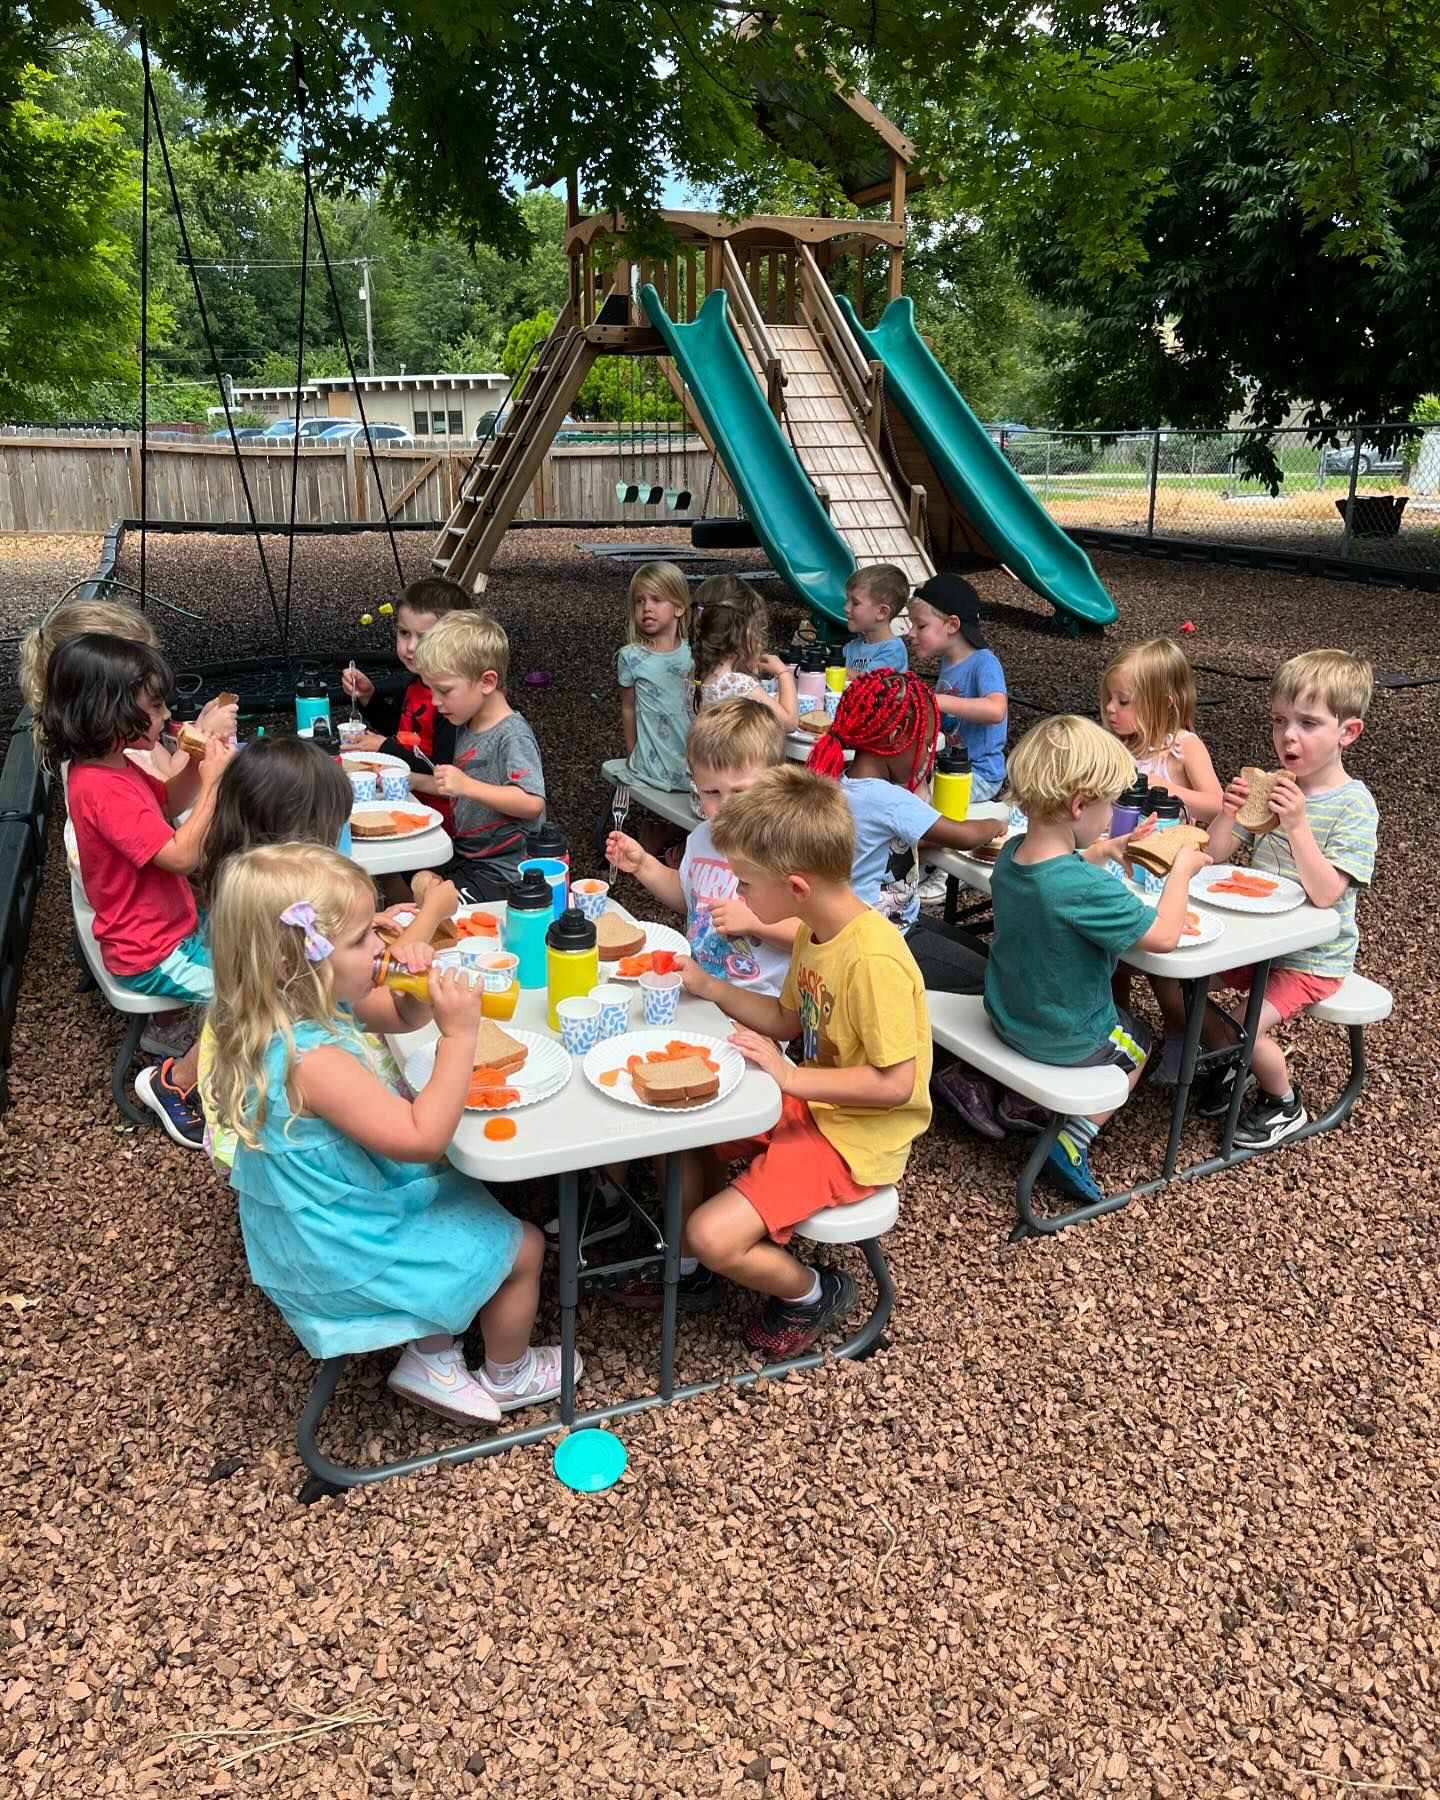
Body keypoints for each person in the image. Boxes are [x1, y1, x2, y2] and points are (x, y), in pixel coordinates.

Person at [204, 842, 573, 1423]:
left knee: (463, 1193)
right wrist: (459, 1037)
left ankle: (434, 1346)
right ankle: (508, 1372)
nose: (381, 945)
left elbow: (401, 1018)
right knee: (524, 1247)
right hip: (348, 1249)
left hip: (327, 1215)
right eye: (360, 941)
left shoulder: (301, 1005)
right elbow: (422, 1135)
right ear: (293, 962)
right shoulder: (311, 1060)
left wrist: (411, 984)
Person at [662, 767, 931, 1355]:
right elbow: (790, 1021)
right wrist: (712, 988)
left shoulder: (873, 961)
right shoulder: (815, 930)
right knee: (683, 1136)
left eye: (747, 886)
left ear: (796, 886)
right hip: (815, 1104)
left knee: (709, 1233)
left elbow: (896, 1084)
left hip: (854, 1139)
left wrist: (788, 1075)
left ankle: (812, 1292)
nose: (740, 899)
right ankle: (699, 1270)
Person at [584, 700, 800, 1253]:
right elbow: (687, 896)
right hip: (698, 994)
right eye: (710, 792)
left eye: (740, 793)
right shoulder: (704, 839)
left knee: (674, 1115)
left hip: (755, 1011)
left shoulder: (784, 849)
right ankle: (632, 1204)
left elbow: (816, 931)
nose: (723, 807)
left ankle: (682, 1254)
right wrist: (643, 866)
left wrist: (757, 922)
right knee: (620, 1055)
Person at [983, 715, 1209, 1203]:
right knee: (1138, 1040)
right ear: (1079, 804)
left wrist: (1108, 848)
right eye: (1108, 805)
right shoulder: (1085, 890)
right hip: (1061, 1036)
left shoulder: (1013, 854)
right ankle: (1073, 1138)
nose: (1112, 816)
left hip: (1007, 1015)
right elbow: (1165, 935)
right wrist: (1182, 872)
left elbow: (1058, 872)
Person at [192, 736, 440, 1171]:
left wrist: (365, 926)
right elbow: (420, 1137)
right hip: (325, 1167)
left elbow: (397, 1006)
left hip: (254, 1140)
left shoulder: (257, 928)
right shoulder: (313, 989)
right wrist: (433, 914)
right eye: (335, 830)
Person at [39, 632, 234, 1147]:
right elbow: (180, 854)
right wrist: (215, 784)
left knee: (260, 934)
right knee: (248, 993)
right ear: (107, 711)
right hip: (151, 952)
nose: (168, 715)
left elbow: (168, 804)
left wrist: (195, 763)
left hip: (174, 929)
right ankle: (176, 1083)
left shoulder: (114, 766)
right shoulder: (101, 789)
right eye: (156, 706)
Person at [1192, 649, 1377, 1149]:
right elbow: (1215, 856)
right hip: (1256, 939)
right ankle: (1233, 1062)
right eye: (1279, 720)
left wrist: (1296, 825)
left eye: (1308, 723)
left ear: (1348, 732)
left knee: (1248, 1021)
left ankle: (1283, 1101)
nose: (1287, 735)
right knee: (1183, 983)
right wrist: (1229, 813)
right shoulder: (1273, 788)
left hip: (1311, 957)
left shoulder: (1354, 807)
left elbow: (1325, 892)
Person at [806, 670, 1005, 994]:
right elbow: (964, 836)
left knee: (983, 955)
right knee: (993, 975)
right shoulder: (889, 798)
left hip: (869, 927)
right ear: (896, 737)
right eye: (925, 744)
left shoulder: (842, 780)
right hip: (883, 939)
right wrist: (998, 822)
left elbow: (884, 841)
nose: (928, 754)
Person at [412, 609, 546, 900]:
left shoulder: (511, 734)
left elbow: (532, 802)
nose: (435, 702)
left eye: (444, 691)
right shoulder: (466, 722)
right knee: (412, 877)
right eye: (432, 691)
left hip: (508, 873)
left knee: (436, 905)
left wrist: (466, 786)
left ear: (486, 682)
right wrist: (409, 781)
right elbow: (455, 784)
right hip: (468, 860)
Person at [20, 596, 238, 750]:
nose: (167, 713)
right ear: (106, 702)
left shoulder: (119, 741)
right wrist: (203, 738)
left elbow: (168, 779)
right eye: (153, 703)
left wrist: (199, 730)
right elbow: (167, 795)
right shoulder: (113, 760)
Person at [341, 574, 472, 827]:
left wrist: (384, 747)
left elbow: (440, 767)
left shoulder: (451, 699)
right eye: (404, 633)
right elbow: (402, 730)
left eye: (423, 637)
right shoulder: (417, 681)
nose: (410, 647)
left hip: (442, 819)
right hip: (408, 798)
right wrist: (369, 698)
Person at [906, 575, 1008, 801]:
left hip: (979, 774)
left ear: (952, 625)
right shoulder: (948, 661)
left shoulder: (984, 662)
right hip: (947, 766)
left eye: (920, 625)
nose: (910, 633)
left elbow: (996, 710)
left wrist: (936, 700)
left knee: (915, 801)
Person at [1099, 637, 1222, 824]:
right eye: (1110, 698)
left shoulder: (1183, 747)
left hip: (1167, 850)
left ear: (1163, 705)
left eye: (1123, 701)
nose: (1110, 707)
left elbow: (1218, 807)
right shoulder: (1117, 745)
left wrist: (1168, 790)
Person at [617, 561, 694, 792]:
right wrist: (631, 753)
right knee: (656, 822)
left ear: (679, 608)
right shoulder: (631, 657)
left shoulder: (695, 654)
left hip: (691, 761)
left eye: (657, 599)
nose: (646, 607)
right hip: (650, 765)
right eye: (640, 601)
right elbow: (628, 708)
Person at [691, 577, 799, 730]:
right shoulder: (737, 684)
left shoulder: (695, 675)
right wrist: (783, 672)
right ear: (745, 632)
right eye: (757, 628)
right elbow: (789, 723)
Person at [842, 564, 909, 678]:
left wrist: (832, 669)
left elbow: (869, 683)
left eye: (855, 603)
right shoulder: (852, 647)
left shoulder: (893, 651)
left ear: (881, 612)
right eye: (847, 601)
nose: (846, 608)